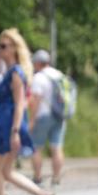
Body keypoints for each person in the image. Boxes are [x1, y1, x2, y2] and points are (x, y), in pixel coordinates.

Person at [0, 29, 55, 195]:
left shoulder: (16, 73)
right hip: (5, 124)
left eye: (4, 46)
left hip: (8, 126)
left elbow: (20, 104)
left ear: (15, 49)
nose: (0, 49)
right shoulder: (8, 71)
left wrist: (15, 132)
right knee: (5, 171)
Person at [28, 49, 66, 186]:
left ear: (37, 63)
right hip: (60, 116)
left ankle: (37, 177)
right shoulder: (59, 75)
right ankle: (56, 178)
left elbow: (36, 100)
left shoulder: (39, 78)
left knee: (37, 148)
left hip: (43, 116)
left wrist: (31, 120)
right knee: (57, 147)